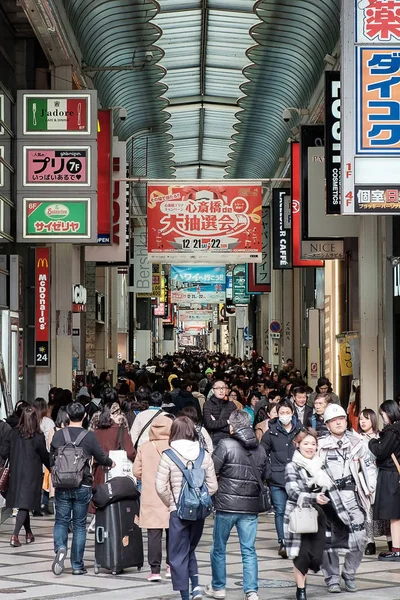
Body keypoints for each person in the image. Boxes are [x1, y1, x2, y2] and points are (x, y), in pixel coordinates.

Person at [205, 410, 267, 600]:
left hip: (226, 505)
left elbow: (212, 470)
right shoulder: (261, 449)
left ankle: (219, 587)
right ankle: (251, 591)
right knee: (248, 550)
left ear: (231, 426)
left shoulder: (225, 444)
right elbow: (264, 477)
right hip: (249, 508)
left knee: (219, 548)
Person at [156, 416, 218, 600]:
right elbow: (213, 486)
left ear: (174, 432)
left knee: (177, 554)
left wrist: (173, 503)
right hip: (198, 512)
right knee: (190, 549)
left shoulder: (168, 455)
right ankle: (196, 586)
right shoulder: (204, 455)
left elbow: (160, 487)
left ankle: (185, 594)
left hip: (178, 512)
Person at [50, 402, 114, 576]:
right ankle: (77, 566)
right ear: (85, 416)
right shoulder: (89, 437)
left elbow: (51, 462)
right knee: (79, 525)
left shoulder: (58, 436)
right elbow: (101, 457)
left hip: (62, 485)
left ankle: (61, 548)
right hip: (83, 484)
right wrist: (111, 462)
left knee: (61, 521)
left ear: (68, 416)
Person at [318, 403, 371, 593]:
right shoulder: (320, 445)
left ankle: (349, 573)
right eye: (333, 420)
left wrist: (370, 489)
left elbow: (369, 468)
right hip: (330, 499)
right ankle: (331, 578)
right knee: (328, 541)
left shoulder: (358, 443)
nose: (338, 422)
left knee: (360, 537)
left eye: (340, 419)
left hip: (353, 497)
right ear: (327, 424)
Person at [284, 429, 333, 600]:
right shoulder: (292, 466)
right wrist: (313, 497)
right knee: (301, 555)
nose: (310, 447)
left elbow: (330, 488)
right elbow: (292, 492)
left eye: (313, 444)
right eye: (306, 443)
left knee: (317, 557)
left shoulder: (320, 464)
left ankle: (304, 580)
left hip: (319, 516)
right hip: (300, 517)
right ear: (297, 445)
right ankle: (301, 590)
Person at [1, 406, 50, 547]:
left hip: (15, 473)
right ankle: (15, 535)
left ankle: (29, 533)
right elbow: (44, 455)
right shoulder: (38, 437)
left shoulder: (13, 434)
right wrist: (52, 468)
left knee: (24, 503)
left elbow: (4, 452)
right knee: (24, 504)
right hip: (32, 475)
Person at [261, 399, 303, 558]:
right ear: (277, 414)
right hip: (276, 478)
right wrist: (268, 473)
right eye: (281, 413)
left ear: (292, 412)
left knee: (296, 510)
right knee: (280, 510)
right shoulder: (270, 433)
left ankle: (296, 539)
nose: (284, 415)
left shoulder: (300, 430)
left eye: (287, 412)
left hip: (296, 478)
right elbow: (262, 455)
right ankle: (283, 541)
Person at [133, 414, 173, 581]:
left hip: (151, 495)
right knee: (173, 532)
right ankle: (171, 567)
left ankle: (155, 571)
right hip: (170, 496)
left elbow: (136, 471)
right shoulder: (173, 447)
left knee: (153, 535)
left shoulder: (145, 446)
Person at [88, 401, 135, 532]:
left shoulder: (97, 431)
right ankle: (112, 524)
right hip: (116, 468)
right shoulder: (121, 429)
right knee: (114, 496)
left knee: (101, 495)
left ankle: (99, 521)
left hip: (99, 470)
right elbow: (130, 451)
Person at [356, 408, 390, 555]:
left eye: (366, 419)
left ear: (373, 420)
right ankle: (370, 541)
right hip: (365, 478)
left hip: (381, 476)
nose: (362, 422)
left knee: (386, 509)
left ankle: (390, 539)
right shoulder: (357, 438)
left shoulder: (381, 436)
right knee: (367, 510)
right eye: (360, 419)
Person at [369, 400, 400, 561]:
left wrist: (372, 441)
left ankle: (396, 549)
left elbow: (381, 451)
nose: (383, 417)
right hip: (397, 474)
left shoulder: (392, 431)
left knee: (394, 515)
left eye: (383, 414)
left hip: (391, 476)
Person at [203, 381, 236, 447]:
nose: (221, 391)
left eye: (223, 388)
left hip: (230, 440)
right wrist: (228, 421)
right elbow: (209, 424)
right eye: (218, 388)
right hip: (214, 440)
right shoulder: (207, 404)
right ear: (213, 390)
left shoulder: (231, 404)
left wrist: (215, 423)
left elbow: (235, 424)